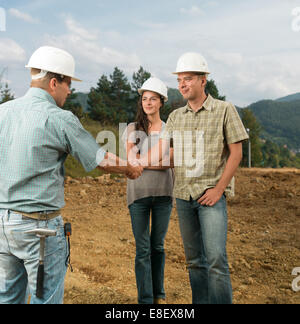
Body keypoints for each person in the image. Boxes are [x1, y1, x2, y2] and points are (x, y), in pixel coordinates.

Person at [0, 46, 143, 305]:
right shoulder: (59, 118)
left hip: (3, 225)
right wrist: (130, 168)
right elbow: (101, 159)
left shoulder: (3, 112)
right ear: (54, 82)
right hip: (39, 228)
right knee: (46, 299)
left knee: (8, 298)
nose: (70, 90)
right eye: (68, 84)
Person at [139, 52, 249, 304]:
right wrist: (136, 163)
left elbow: (236, 153)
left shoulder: (224, 110)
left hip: (211, 195)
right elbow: (163, 150)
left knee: (216, 261)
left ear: (203, 80)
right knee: (195, 262)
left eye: (187, 79)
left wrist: (219, 189)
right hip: (184, 196)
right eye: (179, 81)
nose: (182, 85)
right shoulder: (177, 117)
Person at [122, 77, 174, 304]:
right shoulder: (132, 129)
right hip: (138, 196)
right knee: (143, 249)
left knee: (158, 246)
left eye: (153, 99)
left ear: (161, 102)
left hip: (164, 194)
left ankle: (159, 295)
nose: (148, 103)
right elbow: (130, 159)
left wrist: (143, 161)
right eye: (145, 99)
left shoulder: (170, 128)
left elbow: (172, 160)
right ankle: (145, 300)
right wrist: (157, 159)